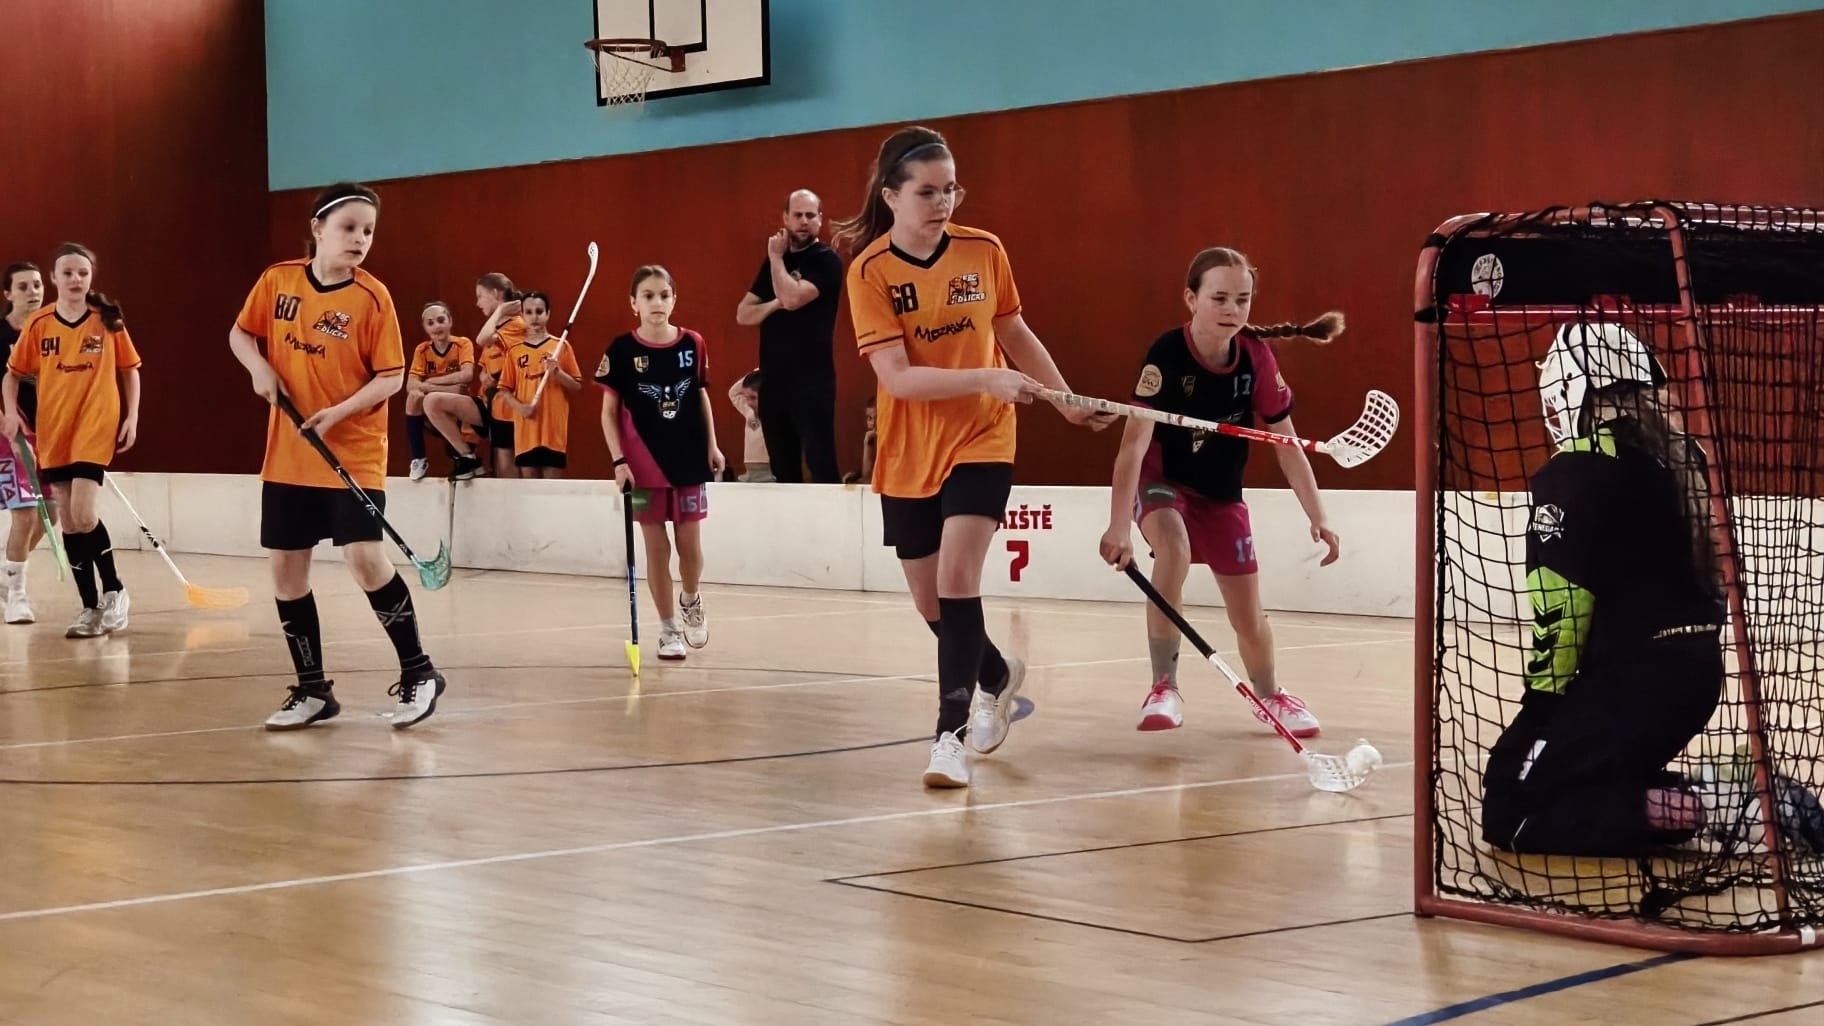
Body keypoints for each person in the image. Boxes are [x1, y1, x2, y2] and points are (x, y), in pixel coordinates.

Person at [832, 125, 1110, 789]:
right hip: (909, 448)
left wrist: (1065, 399)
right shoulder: (870, 272)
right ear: (891, 195)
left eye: (951, 189)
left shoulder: (984, 250)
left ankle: (947, 740)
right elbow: (898, 379)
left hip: (983, 435)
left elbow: (1012, 328)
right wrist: (987, 376)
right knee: (931, 603)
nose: (943, 202)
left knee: (958, 579)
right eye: (927, 191)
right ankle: (995, 673)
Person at [1480, 322, 1726, 856]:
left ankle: (1724, 809)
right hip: (1697, 679)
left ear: (1569, 391)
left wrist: (1540, 707)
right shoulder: (1683, 458)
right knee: (1588, 776)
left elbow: (1563, 607)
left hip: (1631, 685)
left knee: (1509, 809)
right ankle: (1708, 803)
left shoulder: (1574, 470)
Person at [227, 181, 447, 730]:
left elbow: (392, 376)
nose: (360, 239)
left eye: (368, 230)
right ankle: (312, 691)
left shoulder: (372, 298)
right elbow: (240, 334)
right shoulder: (277, 280)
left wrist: (339, 412)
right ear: (318, 229)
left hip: (354, 449)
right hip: (289, 453)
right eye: (349, 227)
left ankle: (420, 672)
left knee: (364, 559)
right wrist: (258, 368)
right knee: (286, 571)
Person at [1098, 247, 1341, 736]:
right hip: (1162, 482)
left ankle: (1270, 696)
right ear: (1191, 299)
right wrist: (1118, 525)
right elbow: (1132, 446)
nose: (1232, 309)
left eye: (1242, 299)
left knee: (1248, 615)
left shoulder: (1256, 358)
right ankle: (1163, 687)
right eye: (1220, 298)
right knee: (1174, 550)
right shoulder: (1167, 355)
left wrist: (1319, 515)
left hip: (1222, 495)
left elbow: (1287, 446)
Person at [2, 244, 140, 638]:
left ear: (91, 276)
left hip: (95, 426)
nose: (75, 279)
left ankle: (115, 590)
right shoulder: (40, 323)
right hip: (54, 430)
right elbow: (12, 374)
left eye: (82, 272)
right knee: (69, 520)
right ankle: (89, 608)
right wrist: (10, 413)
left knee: (82, 514)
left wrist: (131, 415)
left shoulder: (106, 319)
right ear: (55, 278)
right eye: (67, 273)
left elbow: (130, 369)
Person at [597, 265, 723, 661]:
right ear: (633, 303)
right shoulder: (621, 350)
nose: (657, 302)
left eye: (664, 295)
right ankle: (668, 630)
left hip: (688, 457)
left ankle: (690, 599)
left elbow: (700, 395)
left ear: (674, 300)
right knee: (656, 548)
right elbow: (608, 413)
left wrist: (713, 445)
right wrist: (619, 461)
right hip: (642, 466)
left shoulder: (693, 343)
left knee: (690, 547)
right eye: (648, 295)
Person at [735, 188, 844, 483]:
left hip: (812, 381)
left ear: (820, 219)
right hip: (773, 382)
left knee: (821, 464)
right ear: (785, 218)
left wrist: (775, 257)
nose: (804, 221)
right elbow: (743, 314)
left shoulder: (826, 261)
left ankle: (830, 515)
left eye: (810, 215)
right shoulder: (774, 263)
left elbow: (793, 298)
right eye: (797, 215)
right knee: (783, 471)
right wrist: (774, 304)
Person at [423, 273, 522, 480]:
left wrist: (501, 310)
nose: (478, 303)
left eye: (480, 296)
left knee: (505, 471)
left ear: (495, 293)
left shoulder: (516, 325)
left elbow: (483, 340)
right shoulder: (496, 327)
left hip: (507, 407)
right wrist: (485, 374)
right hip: (486, 404)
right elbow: (486, 364)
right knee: (432, 402)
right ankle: (468, 457)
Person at [0, 261, 48, 623]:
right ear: (8, 294)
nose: (33, 292)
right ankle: (17, 596)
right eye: (23, 286)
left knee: (54, 514)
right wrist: (11, 428)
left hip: (49, 433)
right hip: (8, 433)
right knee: (27, 511)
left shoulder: (49, 332)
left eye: (37, 284)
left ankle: (7, 575)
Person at [495, 291, 583, 479]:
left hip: (553, 433)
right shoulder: (515, 351)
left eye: (539, 311)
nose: (534, 317)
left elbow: (576, 386)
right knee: (530, 490)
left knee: (551, 491)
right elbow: (504, 389)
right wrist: (520, 408)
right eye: (529, 312)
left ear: (548, 314)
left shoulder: (561, 346)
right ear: (522, 315)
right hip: (526, 434)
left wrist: (557, 372)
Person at [405, 300, 475, 480]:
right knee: (414, 396)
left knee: (455, 390)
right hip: (432, 407)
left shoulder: (462, 344)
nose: (436, 326)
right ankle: (419, 458)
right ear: (425, 327)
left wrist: (430, 383)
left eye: (441, 320)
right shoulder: (422, 350)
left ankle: (466, 453)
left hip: (460, 407)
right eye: (430, 323)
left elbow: (466, 376)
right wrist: (436, 387)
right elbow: (411, 384)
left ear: (450, 321)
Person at [726, 369, 773, 482]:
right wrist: (759, 369)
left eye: (753, 397)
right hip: (749, 472)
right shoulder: (749, 411)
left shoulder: (776, 415)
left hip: (769, 472)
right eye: (747, 398)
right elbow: (734, 392)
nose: (748, 402)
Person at [842, 395, 877, 486]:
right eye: (869, 418)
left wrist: (867, 445)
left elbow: (868, 479)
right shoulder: (870, 439)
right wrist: (856, 475)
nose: (873, 423)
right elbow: (866, 477)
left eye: (877, 418)